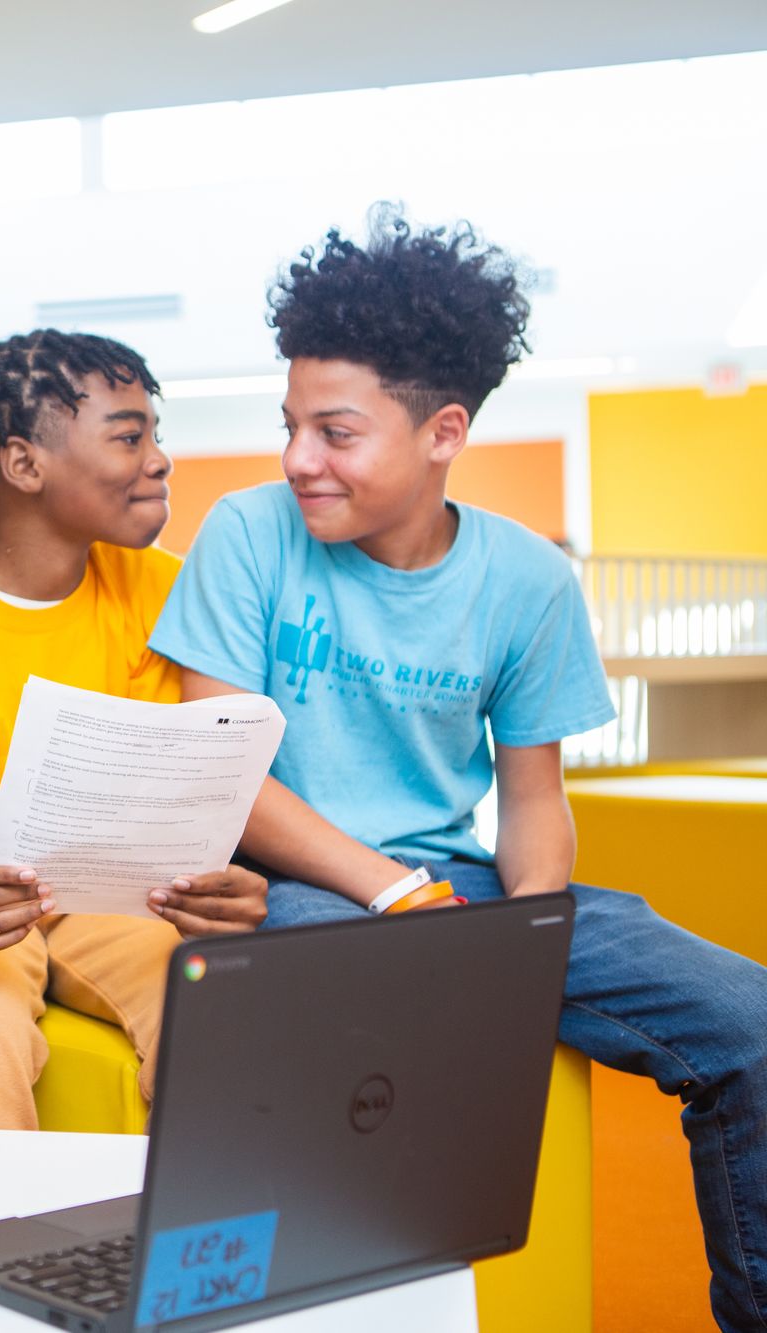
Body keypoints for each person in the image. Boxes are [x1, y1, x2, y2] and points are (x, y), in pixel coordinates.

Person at [148, 208, 767, 1332]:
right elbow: (225, 767)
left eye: (334, 432)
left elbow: (532, 796)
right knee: (358, 1027)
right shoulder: (244, 534)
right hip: (306, 891)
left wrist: (526, 933)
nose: (297, 459)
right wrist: (390, 891)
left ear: (440, 431)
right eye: (289, 424)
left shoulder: (525, 581)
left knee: (752, 1024)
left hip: (458, 889)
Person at [0, 330, 267, 1129]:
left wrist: (222, 883)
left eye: (155, 434)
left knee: (228, 995)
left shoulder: (166, 588)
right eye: (130, 436)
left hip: (121, 898)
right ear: (25, 465)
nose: (160, 458)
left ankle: (214, 1245)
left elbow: (194, 801)